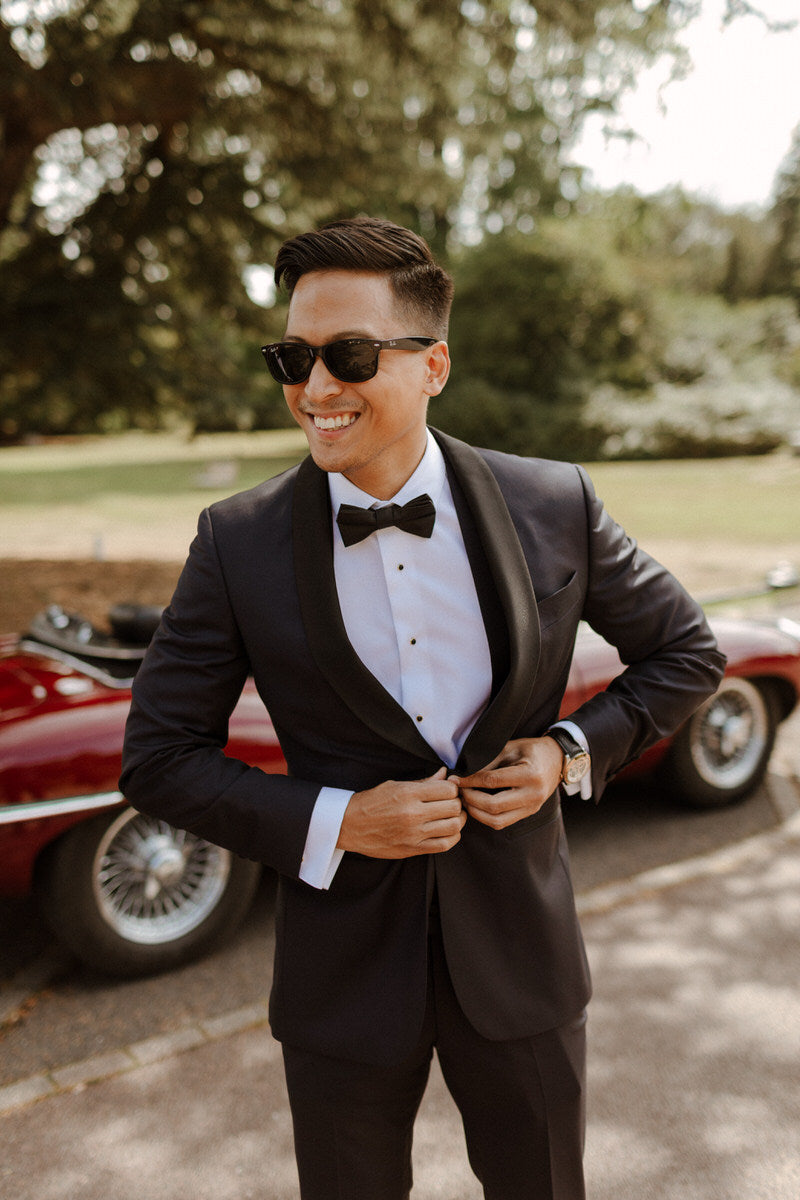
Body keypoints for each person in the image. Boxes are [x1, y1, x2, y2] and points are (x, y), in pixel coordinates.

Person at [120, 215, 726, 1200]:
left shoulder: (553, 502)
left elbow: (684, 651)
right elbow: (156, 756)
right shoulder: (236, 543)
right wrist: (340, 821)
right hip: (341, 986)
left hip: (522, 965)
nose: (313, 389)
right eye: (293, 355)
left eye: (348, 356)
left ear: (432, 364)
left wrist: (570, 751)